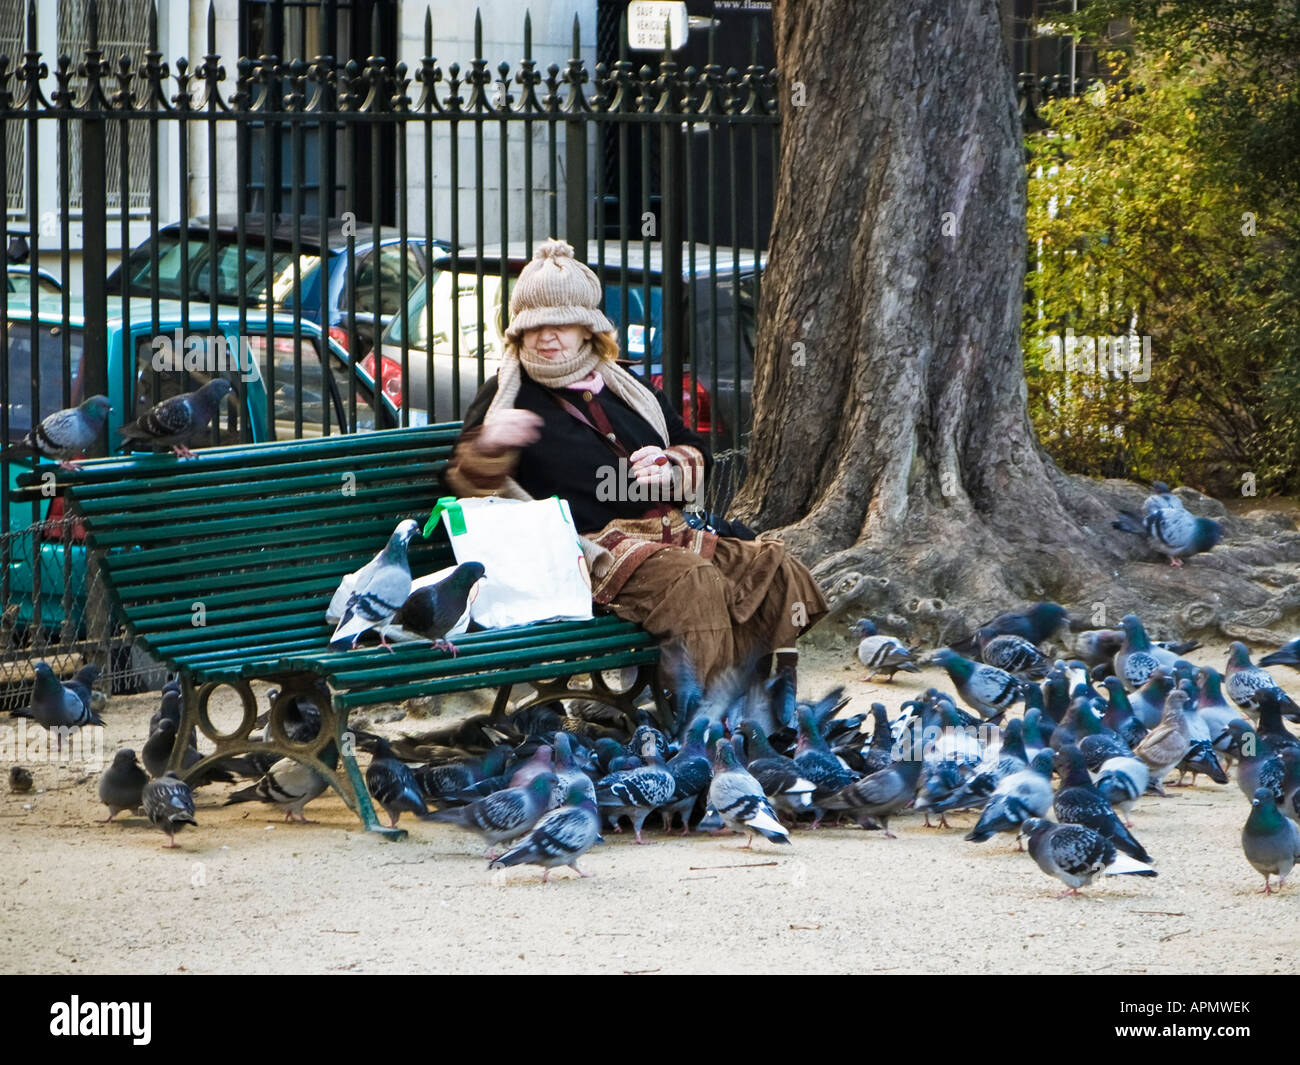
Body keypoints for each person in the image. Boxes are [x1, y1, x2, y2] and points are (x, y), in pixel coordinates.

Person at [445, 239, 826, 691]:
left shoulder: (626, 384)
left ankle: (757, 705)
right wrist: (490, 445)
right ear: (518, 332)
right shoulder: (507, 395)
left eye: (561, 323)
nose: (547, 336)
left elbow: (692, 446)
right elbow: (463, 493)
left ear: (588, 328)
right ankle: (702, 727)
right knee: (694, 582)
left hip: (669, 534)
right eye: (534, 325)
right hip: (587, 553)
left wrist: (667, 465)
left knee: (775, 569)